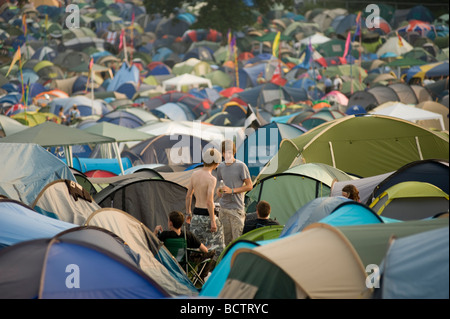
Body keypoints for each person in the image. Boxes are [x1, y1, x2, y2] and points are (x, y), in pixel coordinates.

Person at [186, 148, 225, 258]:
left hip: (196, 215)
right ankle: (215, 272)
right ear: (216, 163)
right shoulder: (211, 179)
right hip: (207, 217)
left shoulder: (194, 174)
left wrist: (188, 213)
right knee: (218, 248)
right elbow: (209, 201)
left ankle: (195, 272)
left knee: (195, 249)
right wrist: (213, 220)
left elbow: (188, 196)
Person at [216, 140, 253, 246]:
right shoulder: (220, 167)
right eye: (225, 152)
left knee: (237, 241)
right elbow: (221, 183)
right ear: (222, 153)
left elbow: (249, 186)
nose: (227, 155)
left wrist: (232, 191)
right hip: (224, 209)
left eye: (230, 152)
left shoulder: (241, 166)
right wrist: (219, 190)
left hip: (237, 209)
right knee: (225, 242)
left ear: (234, 152)